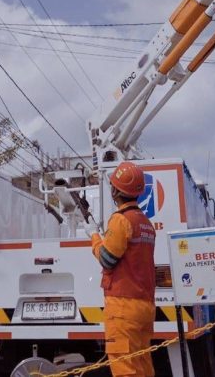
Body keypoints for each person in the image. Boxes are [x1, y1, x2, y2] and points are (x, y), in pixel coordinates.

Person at [87, 161, 156, 377]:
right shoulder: (146, 223)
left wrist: (94, 236)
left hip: (123, 307)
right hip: (144, 306)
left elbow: (107, 259)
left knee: (125, 368)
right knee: (142, 366)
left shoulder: (120, 220)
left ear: (115, 191)